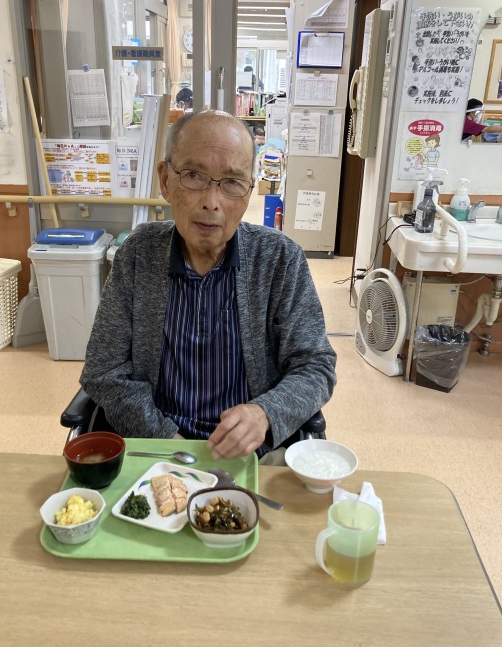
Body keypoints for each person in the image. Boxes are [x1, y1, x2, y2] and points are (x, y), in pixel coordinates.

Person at [80, 110, 336, 461]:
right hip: (156, 449)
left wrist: (265, 412)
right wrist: (165, 439)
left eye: (232, 182)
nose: (211, 203)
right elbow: (103, 369)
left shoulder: (279, 259)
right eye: (194, 176)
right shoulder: (138, 254)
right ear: (166, 181)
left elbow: (315, 365)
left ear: (249, 191)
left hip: (254, 454)